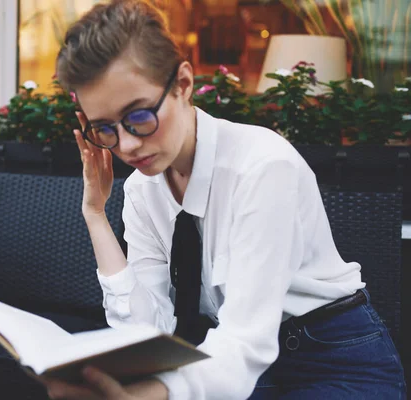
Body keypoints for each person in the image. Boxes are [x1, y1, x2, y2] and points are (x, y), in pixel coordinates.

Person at [44, 0, 406, 399]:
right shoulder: (142, 190)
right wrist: (95, 215)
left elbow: (246, 341)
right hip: (231, 360)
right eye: (105, 129)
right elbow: (149, 331)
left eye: (139, 116)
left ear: (183, 84)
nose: (126, 145)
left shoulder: (263, 165)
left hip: (335, 357)